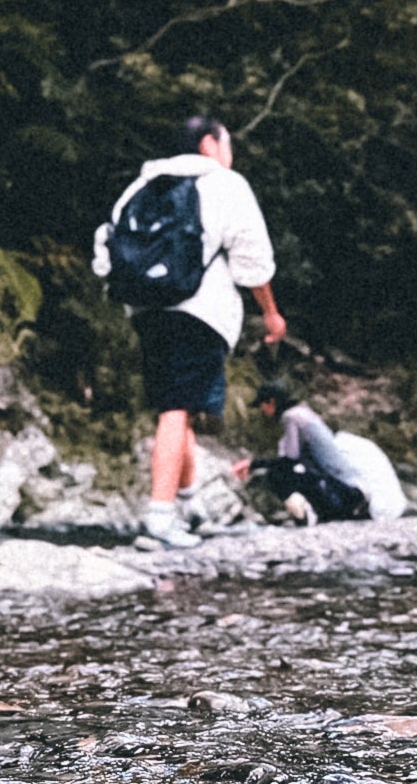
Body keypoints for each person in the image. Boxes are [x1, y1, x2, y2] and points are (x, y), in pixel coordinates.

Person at [94, 116, 285, 547]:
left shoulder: (139, 187)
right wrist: (271, 314)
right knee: (176, 408)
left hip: (144, 308)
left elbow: (105, 253)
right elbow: (253, 261)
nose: (230, 155)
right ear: (209, 145)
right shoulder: (225, 183)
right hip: (200, 309)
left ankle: (188, 504)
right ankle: (159, 520)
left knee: (176, 405)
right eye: (228, 144)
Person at [241, 381, 373, 522]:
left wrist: (253, 463)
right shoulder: (303, 411)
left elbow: (290, 459)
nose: (262, 410)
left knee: (276, 475)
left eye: (262, 404)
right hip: (349, 486)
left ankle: (305, 516)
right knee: (294, 470)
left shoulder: (290, 417)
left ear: (272, 402)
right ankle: (320, 511)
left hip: (342, 490)